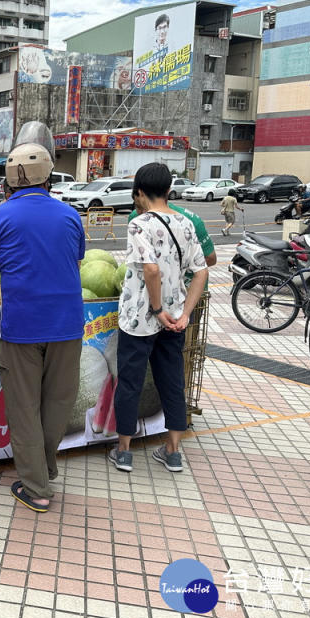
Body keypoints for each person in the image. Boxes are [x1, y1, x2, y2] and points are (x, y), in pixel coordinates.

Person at [0, 141, 86, 513]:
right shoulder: (70, 215)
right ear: (49, 176)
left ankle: (36, 487)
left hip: (23, 327)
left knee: (25, 408)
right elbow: (74, 265)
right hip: (68, 325)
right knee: (59, 402)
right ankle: (45, 468)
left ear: (8, 181)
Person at [110, 163, 208, 474]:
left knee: (130, 381)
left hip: (141, 319)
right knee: (172, 382)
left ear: (139, 191)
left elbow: (150, 269)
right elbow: (201, 271)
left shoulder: (140, 224)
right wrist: (185, 312)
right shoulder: (186, 223)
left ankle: (124, 450)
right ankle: (173, 451)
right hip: (176, 319)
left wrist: (155, 309)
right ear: (168, 190)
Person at [127, 200, 217, 267]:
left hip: (189, 284)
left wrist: (177, 270)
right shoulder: (134, 219)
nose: (143, 214)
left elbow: (211, 258)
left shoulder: (190, 221)